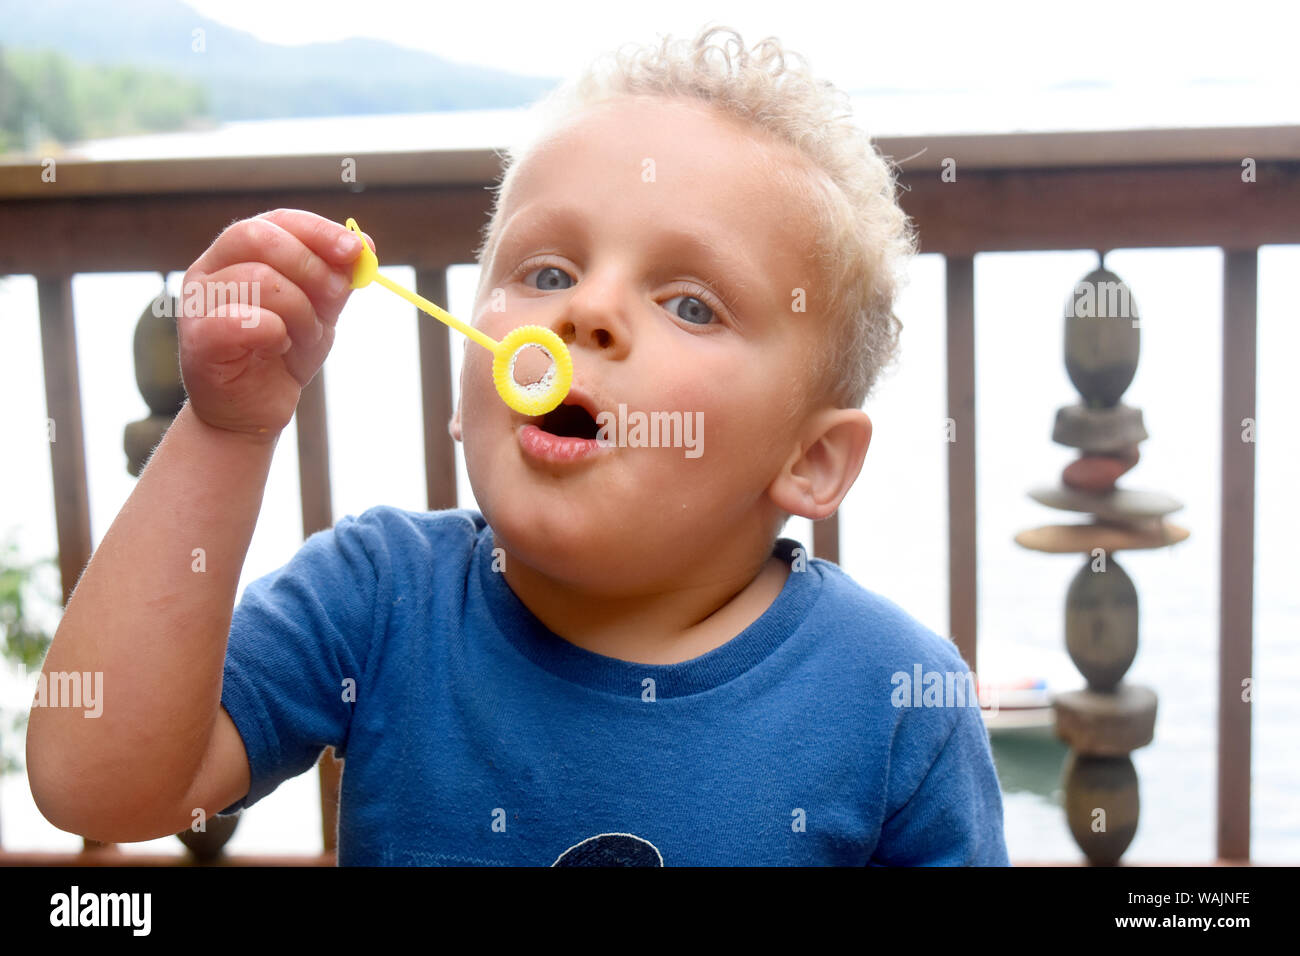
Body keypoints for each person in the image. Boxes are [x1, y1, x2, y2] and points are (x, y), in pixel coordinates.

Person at [28, 25, 1009, 866]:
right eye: (545, 270)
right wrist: (225, 429)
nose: (586, 309)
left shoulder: (893, 701)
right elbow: (96, 785)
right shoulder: (377, 601)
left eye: (691, 303)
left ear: (812, 460)